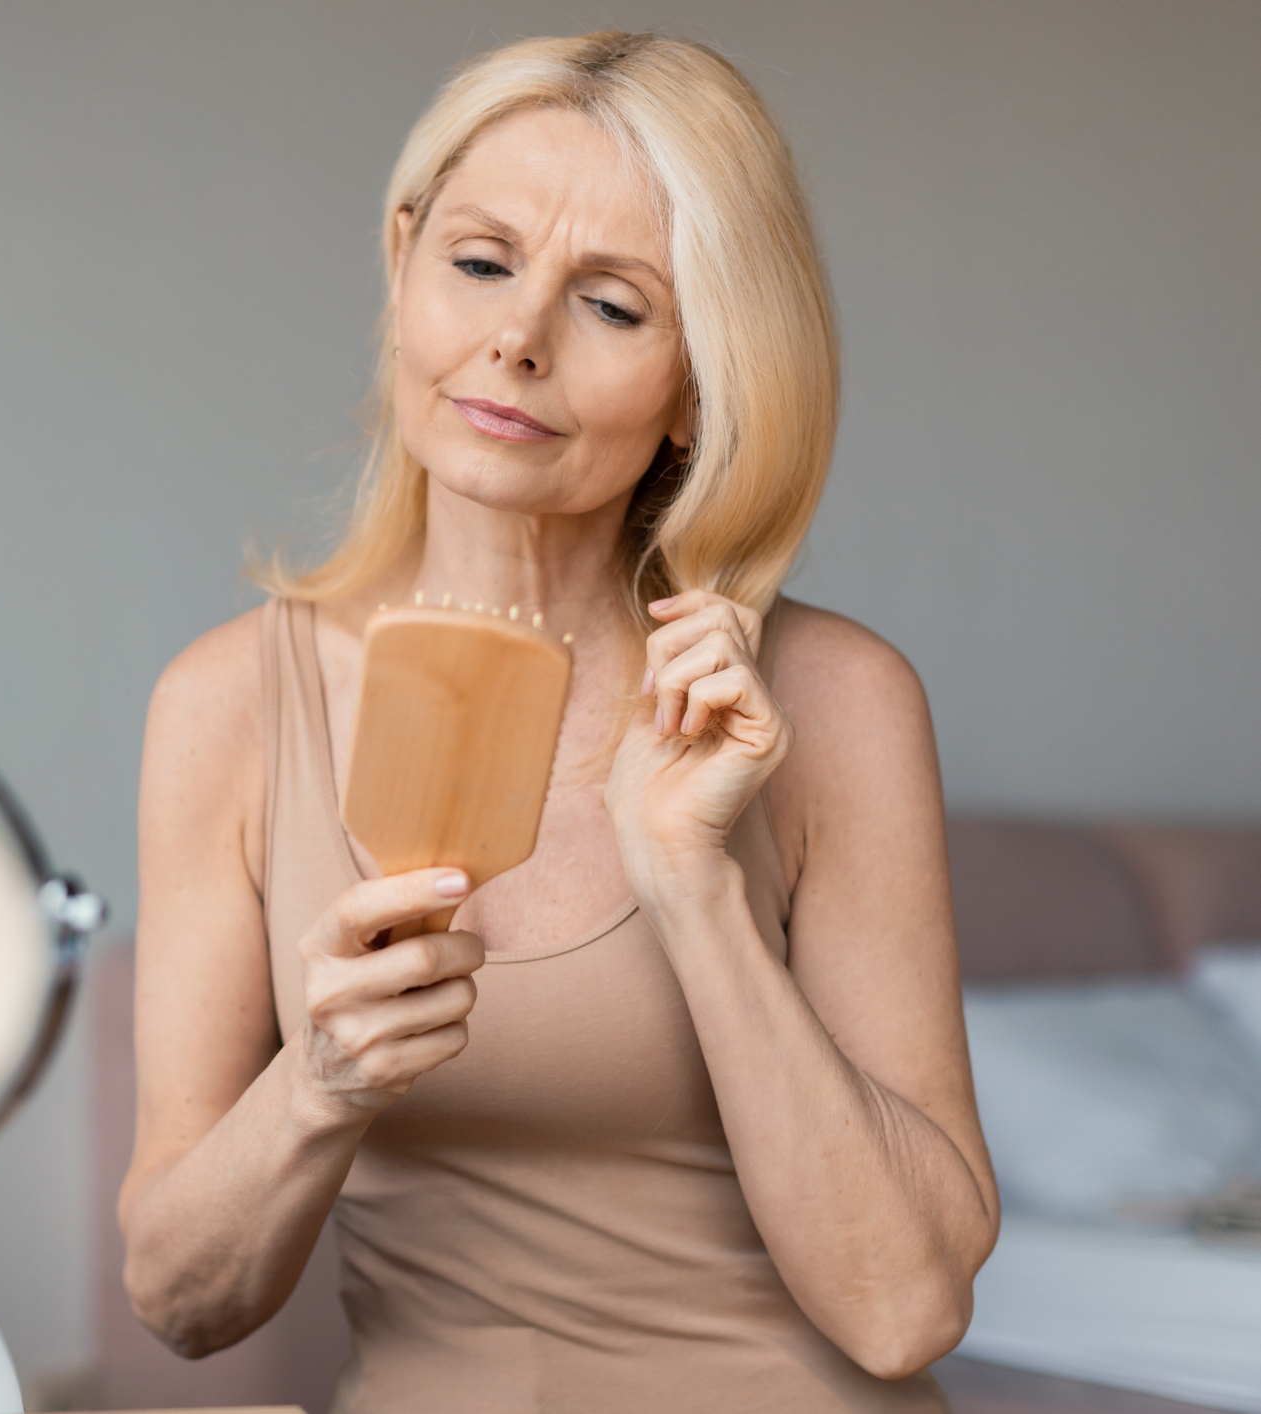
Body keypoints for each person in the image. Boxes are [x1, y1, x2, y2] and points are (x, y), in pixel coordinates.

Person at [120, 31, 998, 1413]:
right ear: (402, 259)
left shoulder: (829, 704)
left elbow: (902, 1312)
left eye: (612, 305)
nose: (514, 341)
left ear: (700, 378)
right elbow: (181, 1298)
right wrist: (316, 1091)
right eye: (479, 263)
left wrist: (692, 886)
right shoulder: (226, 708)